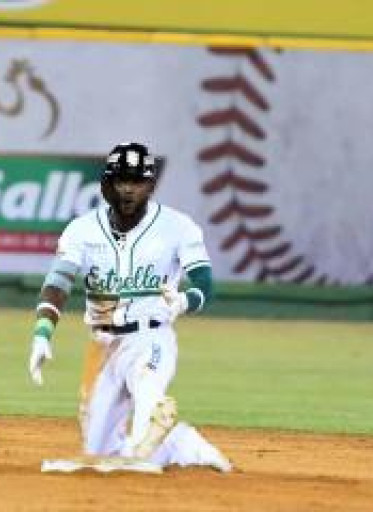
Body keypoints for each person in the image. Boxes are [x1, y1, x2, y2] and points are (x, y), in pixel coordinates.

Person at [29, 142, 231, 472]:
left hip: (151, 340)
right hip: (103, 345)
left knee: (145, 436)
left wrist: (185, 300)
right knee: (98, 450)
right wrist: (42, 333)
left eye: (137, 181)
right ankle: (172, 444)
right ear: (105, 184)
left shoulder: (178, 227)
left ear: (151, 185)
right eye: (120, 180)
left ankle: (179, 441)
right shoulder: (82, 230)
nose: (128, 189)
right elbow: (58, 283)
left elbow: (204, 281)